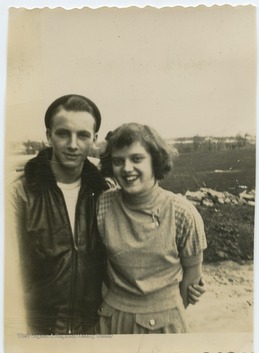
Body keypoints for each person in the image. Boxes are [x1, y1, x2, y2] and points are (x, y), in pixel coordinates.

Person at [9, 94, 109, 334]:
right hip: (38, 334)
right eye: (63, 133)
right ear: (48, 136)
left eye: (83, 135)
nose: (73, 144)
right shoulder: (18, 196)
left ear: (94, 139)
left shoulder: (106, 194)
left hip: (93, 332)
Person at [96, 122, 207, 334]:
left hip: (165, 324)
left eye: (137, 159)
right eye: (118, 161)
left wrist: (162, 315)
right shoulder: (103, 204)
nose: (127, 168)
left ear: (155, 161)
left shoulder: (182, 212)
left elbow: (192, 282)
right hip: (111, 321)